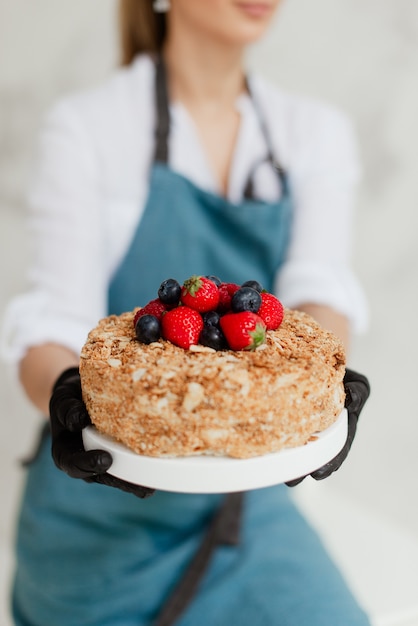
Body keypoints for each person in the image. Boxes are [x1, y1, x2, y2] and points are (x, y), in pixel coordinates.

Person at [1, 0, 371, 624]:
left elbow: (318, 292)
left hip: (243, 499)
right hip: (98, 507)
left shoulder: (314, 132)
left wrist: (325, 382)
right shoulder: (89, 126)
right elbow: (52, 322)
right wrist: (70, 397)